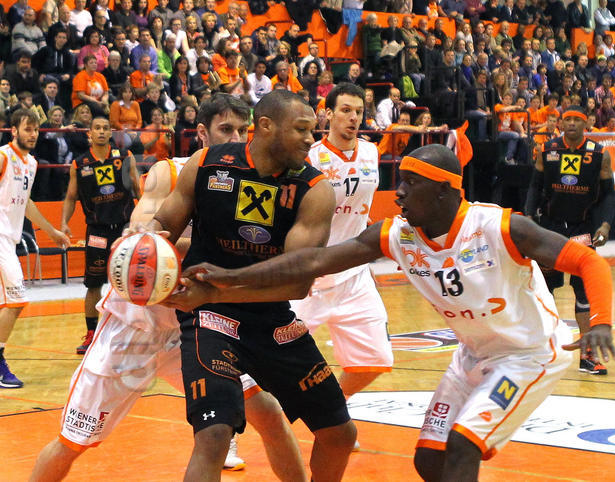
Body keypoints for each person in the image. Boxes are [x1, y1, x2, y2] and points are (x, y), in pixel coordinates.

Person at [177, 143, 615, 481]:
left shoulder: (500, 226)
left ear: (444, 190)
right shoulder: (396, 235)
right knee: (429, 459)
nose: (399, 191)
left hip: (527, 356)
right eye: (399, 180)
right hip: (472, 355)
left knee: (463, 446)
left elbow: (588, 261)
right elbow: (312, 261)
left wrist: (600, 322)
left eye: (411, 183)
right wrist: (228, 278)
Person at [29, 95, 307, 480]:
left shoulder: (257, 183)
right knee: (72, 442)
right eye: (226, 129)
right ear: (202, 133)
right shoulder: (171, 172)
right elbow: (147, 228)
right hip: (135, 329)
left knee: (270, 414)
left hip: (195, 330)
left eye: (242, 130)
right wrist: (148, 236)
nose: (235, 138)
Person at [153, 90, 357, 480]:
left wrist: (216, 290)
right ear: (266, 126)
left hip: (271, 319)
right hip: (210, 318)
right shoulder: (206, 165)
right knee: (214, 434)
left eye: (311, 131)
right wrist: (144, 241)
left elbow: (296, 284)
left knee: (340, 434)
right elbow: (163, 225)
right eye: (301, 130)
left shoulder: (314, 190)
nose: (310, 139)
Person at [293, 83, 393, 407]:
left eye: (359, 112)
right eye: (346, 110)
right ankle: (239, 427)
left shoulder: (371, 152)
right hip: (309, 277)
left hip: (353, 274)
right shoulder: (309, 157)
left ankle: (332, 407)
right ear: (328, 114)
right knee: (265, 362)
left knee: (376, 359)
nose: (353, 118)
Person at [525, 106, 615, 375]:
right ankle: (542, 351)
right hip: (549, 229)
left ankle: (587, 356)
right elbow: (534, 186)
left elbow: (609, 194)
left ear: (586, 124)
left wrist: (605, 224)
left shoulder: (599, 154)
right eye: (568, 119)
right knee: (543, 291)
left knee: (583, 291)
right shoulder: (547, 150)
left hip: (582, 229)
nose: (573, 124)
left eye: (578, 120)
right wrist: (529, 217)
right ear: (561, 123)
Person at [0, 109, 70, 388]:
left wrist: (52, 232)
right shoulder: (3, 156)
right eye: (27, 129)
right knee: (16, 299)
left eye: (36, 129)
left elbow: (27, 203)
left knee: (8, 303)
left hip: (10, 238)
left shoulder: (30, 163)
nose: (32, 134)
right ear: (14, 130)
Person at [61, 116, 140, 354]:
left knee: (131, 282)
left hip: (125, 228)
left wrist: (146, 216)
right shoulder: (80, 164)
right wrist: (63, 223)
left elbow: (138, 188)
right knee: (94, 283)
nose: (102, 131)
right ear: (90, 133)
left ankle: (133, 332)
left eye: (106, 128)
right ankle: (91, 334)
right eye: (97, 128)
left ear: (110, 133)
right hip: (97, 231)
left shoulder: (124, 157)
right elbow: (70, 197)